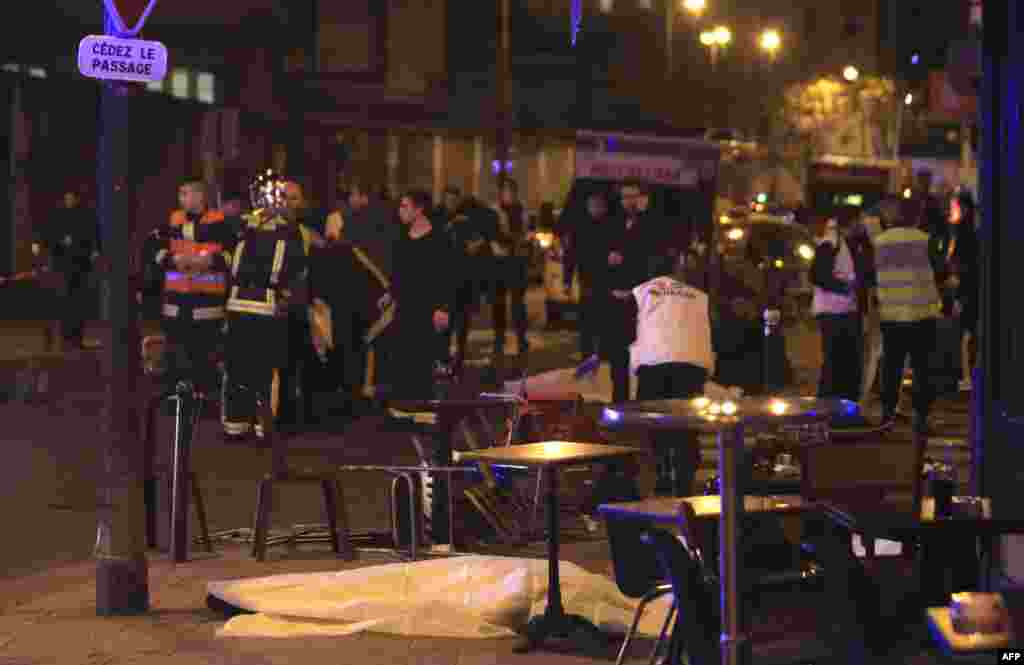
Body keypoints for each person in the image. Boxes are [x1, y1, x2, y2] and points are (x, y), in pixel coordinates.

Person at [220, 172, 308, 440]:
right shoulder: (252, 227)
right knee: (250, 368)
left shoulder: (273, 229)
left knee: (251, 368)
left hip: (255, 304)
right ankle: (247, 424)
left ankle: (251, 425)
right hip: (250, 305)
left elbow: (296, 270)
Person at [632, 251, 715, 496]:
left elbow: (626, 329)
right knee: (686, 424)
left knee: (655, 420)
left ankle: (661, 477)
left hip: (654, 364)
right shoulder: (698, 296)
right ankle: (685, 481)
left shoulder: (641, 292)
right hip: (692, 365)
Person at [142, 178, 235, 393]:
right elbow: (151, 248)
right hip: (175, 307)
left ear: (200, 196)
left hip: (208, 308)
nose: (180, 198)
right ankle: (176, 402)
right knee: (175, 363)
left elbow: (233, 255)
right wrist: (172, 259)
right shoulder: (172, 221)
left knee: (205, 364)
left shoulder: (221, 223)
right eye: (180, 193)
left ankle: (204, 401)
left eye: (185, 193)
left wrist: (211, 261)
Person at [873, 200, 942, 432]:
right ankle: (921, 417)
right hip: (921, 314)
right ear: (916, 217)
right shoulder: (924, 240)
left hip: (891, 315)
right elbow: (941, 272)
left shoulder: (880, 242)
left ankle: (887, 415)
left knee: (891, 366)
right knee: (923, 368)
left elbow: (871, 275)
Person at [381, 189, 453, 398]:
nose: (400, 211)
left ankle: (423, 407)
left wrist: (443, 308)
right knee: (403, 362)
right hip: (404, 310)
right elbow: (399, 273)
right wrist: (390, 294)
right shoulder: (401, 237)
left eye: (405, 206)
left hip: (428, 311)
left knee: (423, 363)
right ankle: (404, 407)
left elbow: (448, 277)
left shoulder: (439, 239)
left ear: (419, 209)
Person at [36, 190, 101, 350]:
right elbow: (49, 237)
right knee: (64, 304)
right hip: (63, 268)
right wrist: (58, 241)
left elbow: (93, 235)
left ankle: (76, 339)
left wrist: (95, 251)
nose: (69, 201)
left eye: (72, 198)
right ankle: (65, 339)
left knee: (78, 304)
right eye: (67, 198)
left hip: (80, 266)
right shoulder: (58, 217)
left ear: (77, 199)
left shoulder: (85, 216)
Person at [809, 216, 864, 402]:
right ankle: (829, 404)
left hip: (843, 310)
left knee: (842, 361)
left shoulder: (845, 244)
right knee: (836, 361)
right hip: (834, 311)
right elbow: (817, 275)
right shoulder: (831, 243)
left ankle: (838, 403)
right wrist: (845, 288)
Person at [562, 190, 615, 360]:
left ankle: (604, 352)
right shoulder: (580, 228)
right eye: (593, 205)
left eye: (599, 205)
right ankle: (587, 353)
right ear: (587, 207)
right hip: (588, 280)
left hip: (607, 281)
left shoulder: (612, 226)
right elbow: (570, 256)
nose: (596, 208)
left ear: (605, 207)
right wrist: (567, 281)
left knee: (605, 319)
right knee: (587, 321)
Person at [490, 178, 531, 359]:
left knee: (518, 303)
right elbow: (492, 234)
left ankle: (521, 338)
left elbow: (528, 232)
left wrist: (525, 241)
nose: (509, 195)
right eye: (506, 191)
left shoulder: (522, 211)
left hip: (517, 261)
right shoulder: (495, 211)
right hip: (500, 262)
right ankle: (499, 338)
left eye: (512, 191)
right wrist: (502, 243)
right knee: (498, 303)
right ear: (501, 194)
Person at [947, 190, 979, 392]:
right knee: (970, 334)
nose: (951, 211)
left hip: (966, 289)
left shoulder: (962, 232)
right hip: (972, 287)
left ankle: (968, 377)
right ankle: (970, 376)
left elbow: (956, 262)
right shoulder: (974, 230)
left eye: (954, 206)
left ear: (964, 208)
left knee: (966, 335)